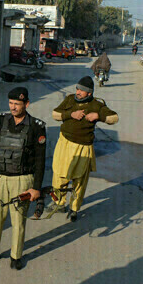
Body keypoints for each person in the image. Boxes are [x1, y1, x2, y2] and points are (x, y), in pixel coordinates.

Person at [0, 87, 46, 270]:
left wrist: (36, 188)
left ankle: (16, 256)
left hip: (22, 180)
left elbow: (40, 160)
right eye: (11, 103)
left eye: (17, 104)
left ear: (26, 104)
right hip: (1, 178)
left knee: (18, 220)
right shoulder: (1, 122)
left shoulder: (36, 127)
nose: (13, 107)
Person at [49, 76, 119, 222]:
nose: (78, 92)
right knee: (59, 175)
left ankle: (74, 208)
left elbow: (114, 117)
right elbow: (55, 114)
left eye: (82, 90)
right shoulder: (69, 99)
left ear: (89, 92)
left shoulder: (96, 105)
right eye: (77, 88)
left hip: (83, 147)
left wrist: (98, 116)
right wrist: (70, 114)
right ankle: (58, 203)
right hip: (64, 143)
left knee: (79, 180)